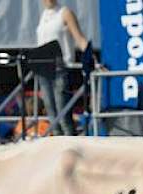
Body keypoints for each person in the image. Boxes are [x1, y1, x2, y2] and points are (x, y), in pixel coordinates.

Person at [36, 0, 92, 136]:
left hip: (60, 68)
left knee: (63, 114)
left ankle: (70, 146)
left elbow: (79, 38)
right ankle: (57, 148)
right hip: (43, 69)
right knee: (51, 114)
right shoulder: (44, 15)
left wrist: (91, 58)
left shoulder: (65, 12)